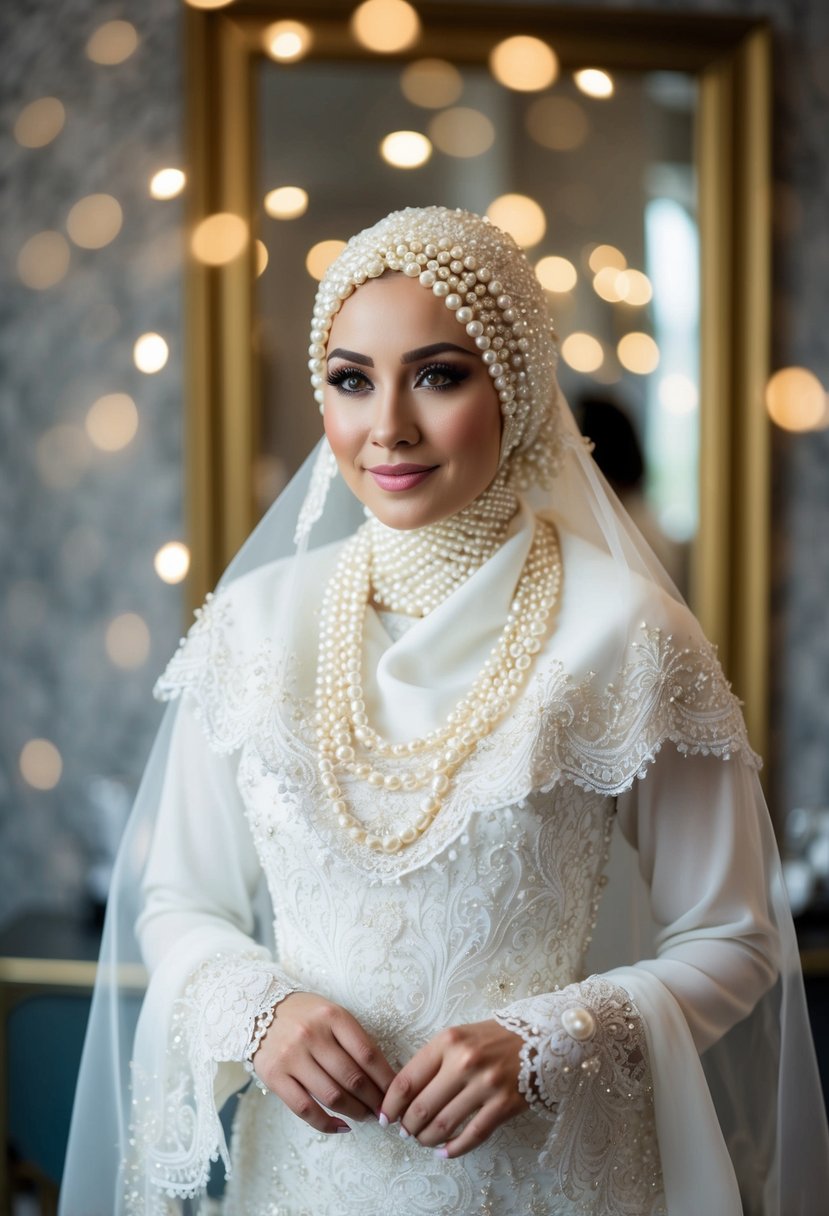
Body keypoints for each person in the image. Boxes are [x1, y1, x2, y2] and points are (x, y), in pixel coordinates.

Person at [60, 206, 829, 1216]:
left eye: (436, 374)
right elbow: (178, 904)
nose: (387, 426)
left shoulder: (626, 632)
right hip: (302, 1182)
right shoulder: (252, 627)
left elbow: (734, 935)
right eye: (350, 379)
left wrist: (552, 1040)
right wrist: (261, 1012)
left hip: (553, 1180)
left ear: (511, 385)